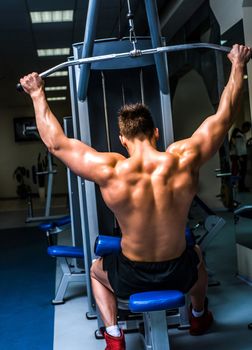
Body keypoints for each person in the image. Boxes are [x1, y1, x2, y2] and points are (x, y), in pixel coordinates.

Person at [20, 44, 251, 350]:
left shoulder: (111, 169)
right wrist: (237, 65)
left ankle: (114, 336)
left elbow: (56, 144)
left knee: (95, 270)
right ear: (155, 132)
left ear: (122, 139)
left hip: (131, 275)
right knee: (196, 257)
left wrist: (37, 94)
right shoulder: (183, 159)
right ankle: (197, 315)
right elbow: (224, 117)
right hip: (179, 271)